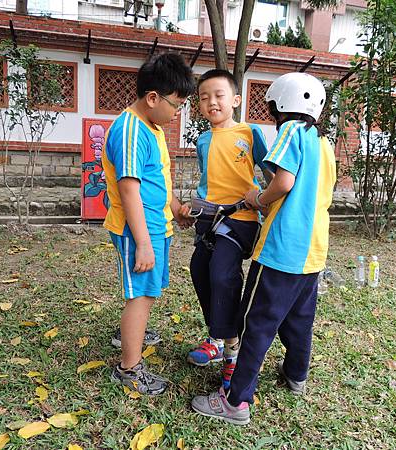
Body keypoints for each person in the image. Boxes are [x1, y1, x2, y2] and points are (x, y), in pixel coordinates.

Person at [191, 72, 337, 424]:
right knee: (299, 319)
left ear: (280, 104)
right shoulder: (323, 142)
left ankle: (235, 400)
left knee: (255, 322)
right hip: (314, 250)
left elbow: (282, 182)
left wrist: (259, 197)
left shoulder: (291, 132)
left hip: (282, 249)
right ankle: (296, 375)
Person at [102, 52, 195, 395]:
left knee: (147, 293)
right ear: (152, 97)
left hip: (157, 225)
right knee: (140, 295)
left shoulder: (151, 126)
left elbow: (155, 180)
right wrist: (142, 242)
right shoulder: (129, 130)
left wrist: (176, 208)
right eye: (177, 105)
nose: (178, 113)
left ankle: (131, 334)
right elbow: (129, 189)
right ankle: (129, 367)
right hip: (139, 230)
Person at [187, 69, 271, 389]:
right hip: (209, 217)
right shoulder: (203, 140)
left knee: (223, 274)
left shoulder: (250, 133)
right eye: (204, 97)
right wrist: (194, 206)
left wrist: (267, 202)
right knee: (200, 270)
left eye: (219, 95)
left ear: (235, 100)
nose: (212, 102)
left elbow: (270, 172)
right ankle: (218, 338)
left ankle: (232, 355)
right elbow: (208, 182)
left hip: (241, 219)